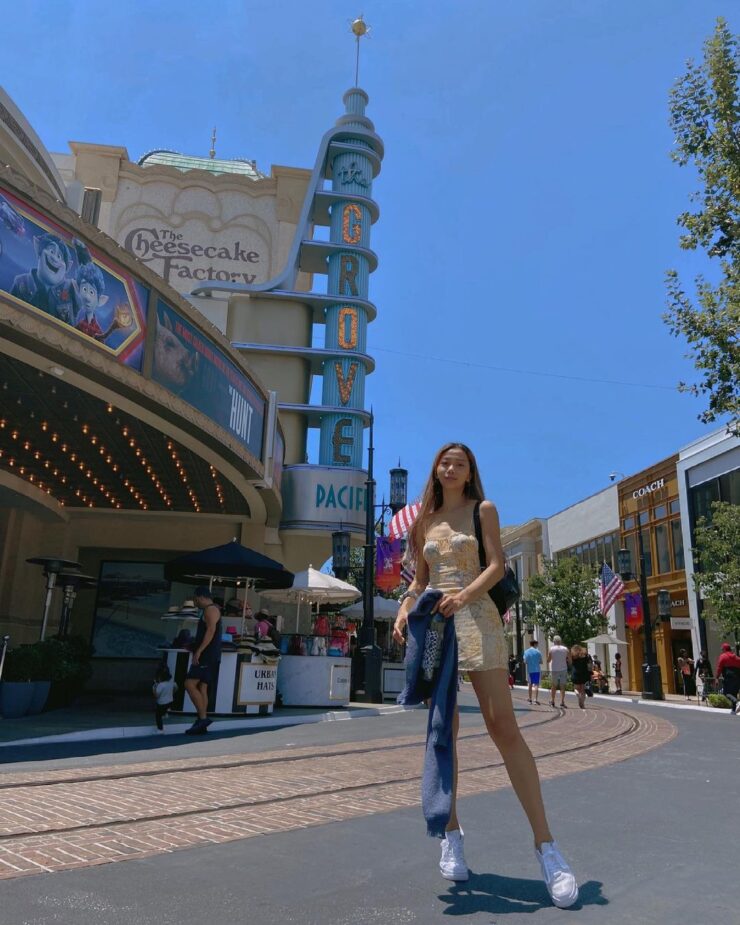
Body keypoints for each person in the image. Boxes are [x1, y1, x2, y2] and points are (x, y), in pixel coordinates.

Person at [392, 443, 578, 908]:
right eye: (445, 461)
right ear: (435, 468)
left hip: (477, 620)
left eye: (461, 463)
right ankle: (451, 833)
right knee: (443, 731)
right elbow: (419, 579)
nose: (451, 467)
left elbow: (496, 566)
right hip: (436, 622)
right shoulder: (423, 521)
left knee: (503, 727)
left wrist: (464, 594)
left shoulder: (483, 510)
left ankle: (546, 846)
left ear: (470, 471)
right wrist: (404, 606)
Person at [184, 586, 222, 735]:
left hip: (207, 655)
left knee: (189, 683)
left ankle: (203, 718)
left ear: (200, 597)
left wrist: (199, 651)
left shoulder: (210, 610)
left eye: (195, 599)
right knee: (202, 687)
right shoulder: (210, 610)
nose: (195, 602)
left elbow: (211, 631)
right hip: (210, 654)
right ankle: (202, 722)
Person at [715, 642, 740, 715]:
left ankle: (737, 703)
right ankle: (733, 710)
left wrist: (716, 678)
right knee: (734, 693)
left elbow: (719, 667)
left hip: (729, 677)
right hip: (738, 678)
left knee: (726, 693)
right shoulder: (736, 657)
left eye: (722, 649)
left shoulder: (723, 656)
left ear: (724, 649)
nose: (721, 650)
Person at [152, 664, 177, 732]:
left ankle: (160, 729)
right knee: (164, 709)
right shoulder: (172, 683)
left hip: (161, 703)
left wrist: (154, 688)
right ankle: (165, 713)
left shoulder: (160, 685)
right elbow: (176, 688)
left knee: (158, 716)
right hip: (170, 701)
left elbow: (156, 695)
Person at [547, 635, 570, 708]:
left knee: (554, 686)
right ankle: (562, 701)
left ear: (554, 641)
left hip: (555, 669)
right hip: (563, 669)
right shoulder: (565, 649)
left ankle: (553, 701)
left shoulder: (552, 649)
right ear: (560, 641)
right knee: (562, 686)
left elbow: (548, 660)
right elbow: (570, 660)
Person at [570, 644, 591, 709]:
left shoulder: (573, 656)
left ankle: (578, 695)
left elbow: (569, 663)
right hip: (584, 674)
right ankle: (582, 703)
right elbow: (589, 665)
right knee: (583, 690)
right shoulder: (586, 656)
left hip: (576, 673)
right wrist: (590, 673)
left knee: (576, 688)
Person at [523, 639, 543, 705]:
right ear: (534, 644)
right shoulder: (538, 652)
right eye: (537, 644)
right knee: (536, 685)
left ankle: (530, 699)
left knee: (530, 684)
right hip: (537, 670)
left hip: (530, 670)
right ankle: (535, 700)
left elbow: (525, 661)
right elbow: (541, 662)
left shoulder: (526, 652)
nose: (537, 645)